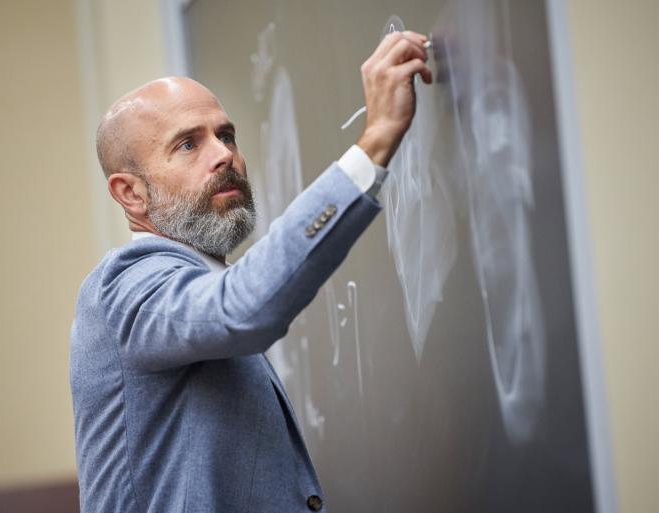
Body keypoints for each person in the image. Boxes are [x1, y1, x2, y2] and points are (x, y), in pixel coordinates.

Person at [70, 31, 432, 513]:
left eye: (226, 135)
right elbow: (241, 308)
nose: (223, 154)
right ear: (131, 194)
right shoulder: (125, 284)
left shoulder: (194, 280)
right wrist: (374, 144)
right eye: (186, 145)